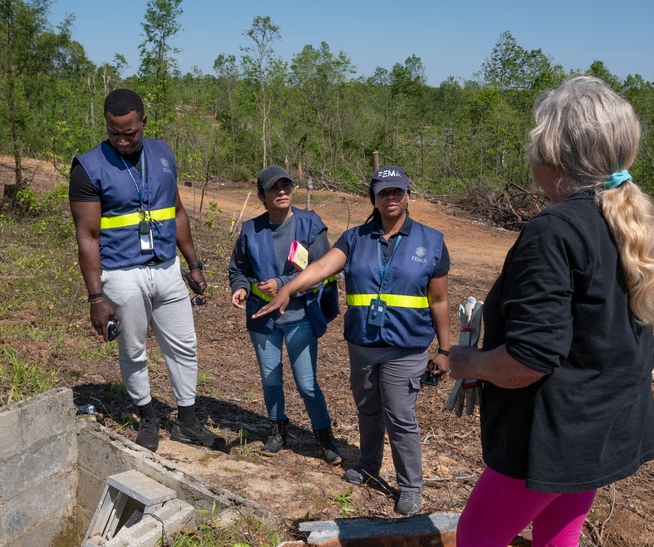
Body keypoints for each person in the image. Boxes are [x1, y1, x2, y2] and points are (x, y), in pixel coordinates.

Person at [402, 76, 654, 547]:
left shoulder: (553, 230)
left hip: (549, 436)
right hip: (602, 430)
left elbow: (528, 360)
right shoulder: (618, 222)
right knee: (558, 543)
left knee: (478, 544)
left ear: (552, 152)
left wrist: (464, 362)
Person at [255, 165, 451, 516]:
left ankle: (410, 486)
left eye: (397, 192)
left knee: (399, 415)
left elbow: (439, 300)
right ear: (373, 198)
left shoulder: (431, 241)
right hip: (362, 343)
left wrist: (445, 349)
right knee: (367, 408)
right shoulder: (356, 238)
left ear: (408, 195)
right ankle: (369, 465)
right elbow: (320, 268)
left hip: (406, 345)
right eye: (383, 192)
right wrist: (288, 288)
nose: (391, 198)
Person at [69, 88, 225, 453]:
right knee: (133, 348)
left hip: (167, 268)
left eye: (130, 132)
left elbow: (178, 212)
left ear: (144, 122)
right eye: (114, 132)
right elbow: (88, 237)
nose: (122, 140)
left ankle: (187, 421)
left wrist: (194, 263)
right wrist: (96, 297)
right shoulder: (88, 167)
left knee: (184, 346)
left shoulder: (163, 153)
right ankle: (148, 416)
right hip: (122, 275)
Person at [228, 166, 343, 464]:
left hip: (299, 316)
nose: (281, 192)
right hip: (263, 318)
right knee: (271, 379)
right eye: (273, 188)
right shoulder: (250, 231)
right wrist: (242, 287)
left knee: (306, 383)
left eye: (286, 186)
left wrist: (282, 285)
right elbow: (238, 269)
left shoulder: (310, 225)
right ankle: (277, 430)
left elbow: (324, 271)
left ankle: (324, 437)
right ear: (262, 196)